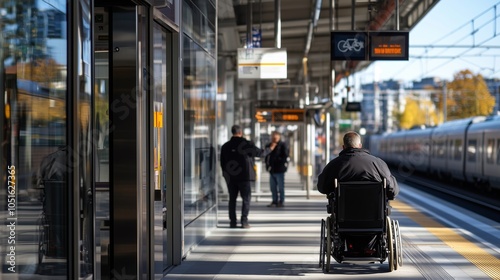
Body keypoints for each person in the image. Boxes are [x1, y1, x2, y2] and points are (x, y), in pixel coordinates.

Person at [317, 131, 399, 199]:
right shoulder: (378, 163)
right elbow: (393, 190)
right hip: (375, 215)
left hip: (344, 215)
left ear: (343, 147)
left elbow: (322, 188)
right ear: (360, 146)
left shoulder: (334, 165)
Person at [220, 125, 263, 228]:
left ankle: (233, 222)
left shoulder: (225, 146)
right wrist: (270, 148)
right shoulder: (246, 144)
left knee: (232, 199)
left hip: (231, 177)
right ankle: (244, 222)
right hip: (245, 177)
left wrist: (226, 174)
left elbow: (222, 162)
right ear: (240, 132)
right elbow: (259, 153)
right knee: (246, 199)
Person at [264, 131, 289, 207]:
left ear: (279, 137)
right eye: (273, 137)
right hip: (272, 170)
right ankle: (274, 201)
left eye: (276, 137)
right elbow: (266, 156)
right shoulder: (269, 145)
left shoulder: (282, 145)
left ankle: (281, 201)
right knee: (273, 187)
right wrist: (267, 165)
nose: (274, 139)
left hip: (280, 169)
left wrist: (280, 161)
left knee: (281, 187)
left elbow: (285, 155)